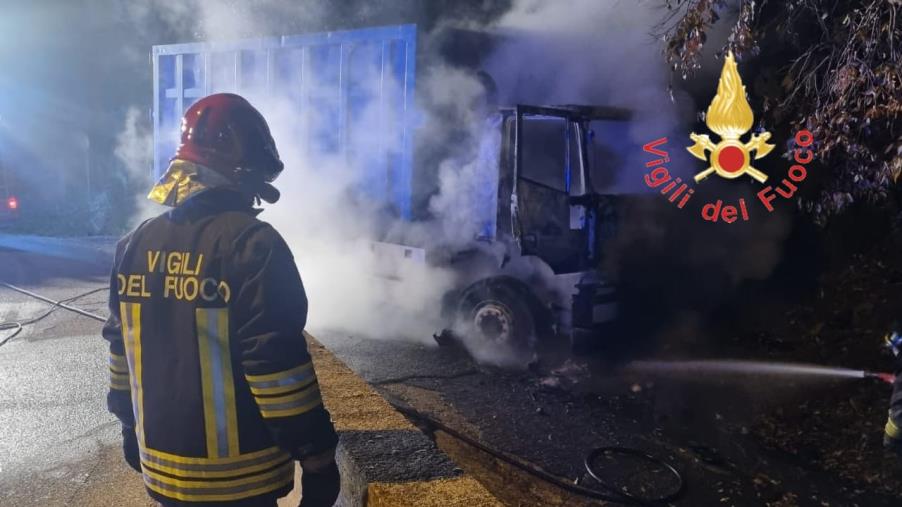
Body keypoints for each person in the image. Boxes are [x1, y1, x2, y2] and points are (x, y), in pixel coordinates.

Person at [102, 93, 340, 507]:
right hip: (243, 482)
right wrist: (317, 458)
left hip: (162, 475)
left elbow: (120, 350)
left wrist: (128, 425)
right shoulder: (253, 245)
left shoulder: (134, 245)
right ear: (242, 169)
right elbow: (276, 368)